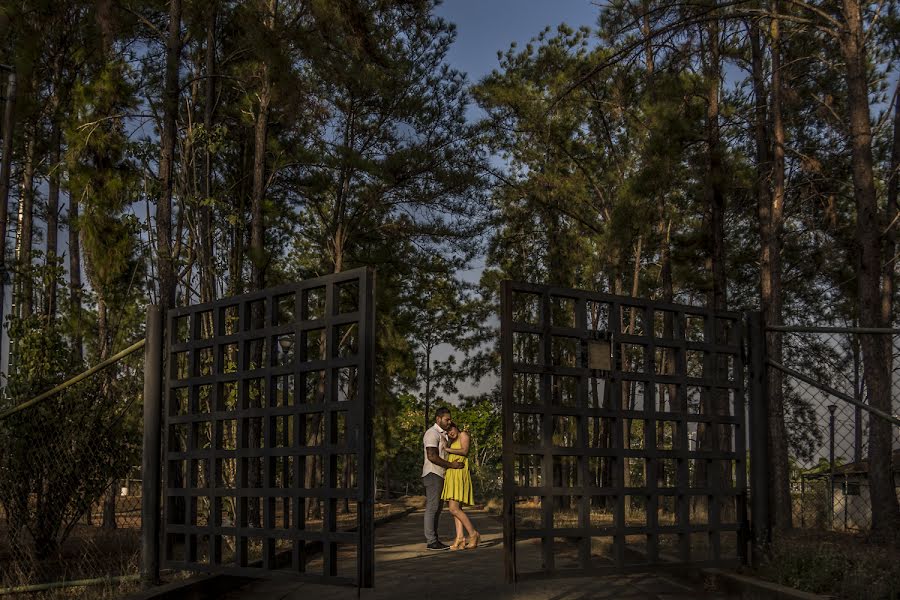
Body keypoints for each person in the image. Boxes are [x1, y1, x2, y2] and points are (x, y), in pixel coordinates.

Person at [422, 407, 464, 551]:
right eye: (447, 419)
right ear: (438, 419)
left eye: (450, 419)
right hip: (433, 474)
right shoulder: (431, 433)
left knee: (437, 508)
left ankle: (434, 540)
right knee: (433, 508)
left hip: (440, 475)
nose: (449, 421)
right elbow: (432, 456)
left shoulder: (444, 435)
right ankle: (431, 541)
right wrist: (451, 465)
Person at [441, 423, 481, 549]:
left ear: (456, 427)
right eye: (447, 432)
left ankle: (473, 534)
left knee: (454, 509)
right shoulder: (451, 442)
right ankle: (460, 538)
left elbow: (464, 451)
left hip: (459, 474)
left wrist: (447, 449)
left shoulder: (463, 434)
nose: (450, 433)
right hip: (451, 475)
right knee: (456, 510)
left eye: (451, 429)